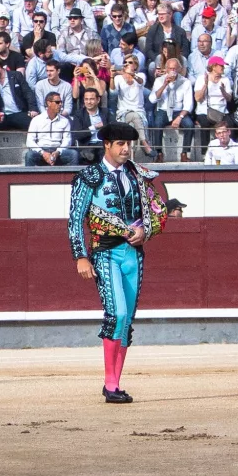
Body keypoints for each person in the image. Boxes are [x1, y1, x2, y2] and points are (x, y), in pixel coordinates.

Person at [68, 120, 174, 403]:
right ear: (107, 145)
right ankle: (110, 384)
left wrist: (145, 232)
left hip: (133, 254)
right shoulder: (89, 176)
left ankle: (114, 382)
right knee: (117, 314)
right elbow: (76, 220)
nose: (126, 149)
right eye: (120, 144)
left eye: (129, 144)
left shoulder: (138, 175)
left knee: (127, 320)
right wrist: (81, 256)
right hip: (104, 252)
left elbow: (155, 211)